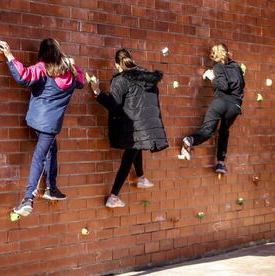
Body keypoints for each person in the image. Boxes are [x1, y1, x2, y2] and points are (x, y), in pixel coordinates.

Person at [0, 38, 85, 216]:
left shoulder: (42, 68)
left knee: (51, 149)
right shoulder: (71, 73)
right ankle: (28, 198)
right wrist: (73, 65)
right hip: (50, 125)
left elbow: (23, 76)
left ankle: (51, 187)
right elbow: (82, 82)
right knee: (40, 157)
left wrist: (9, 55)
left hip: (36, 120)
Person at [89, 49, 168, 208]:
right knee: (135, 147)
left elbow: (114, 106)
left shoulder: (120, 79)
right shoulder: (147, 76)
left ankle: (113, 196)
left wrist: (97, 92)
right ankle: (140, 177)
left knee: (127, 159)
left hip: (132, 124)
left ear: (116, 65)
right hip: (146, 123)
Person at [180, 43, 245, 174]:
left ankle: (190, 140)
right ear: (227, 53)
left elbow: (223, 86)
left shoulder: (218, 66)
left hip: (220, 103)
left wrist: (212, 77)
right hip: (235, 106)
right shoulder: (236, 67)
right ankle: (221, 163)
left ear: (214, 55)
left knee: (208, 130)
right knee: (224, 131)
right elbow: (241, 84)